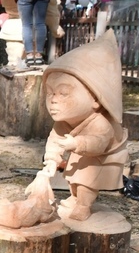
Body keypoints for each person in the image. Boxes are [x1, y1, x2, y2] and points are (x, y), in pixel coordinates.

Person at [37, 34, 128, 221]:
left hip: (102, 156)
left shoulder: (100, 122)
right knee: (72, 175)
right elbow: (55, 140)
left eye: (63, 93)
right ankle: (75, 198)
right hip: (80, 150)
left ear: (96, 99)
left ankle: (84, 205)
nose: (53, 100)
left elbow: (100, 143)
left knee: (87, 179)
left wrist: (77, 143)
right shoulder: (63, 122)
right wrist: (52, 159)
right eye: (50, 93)